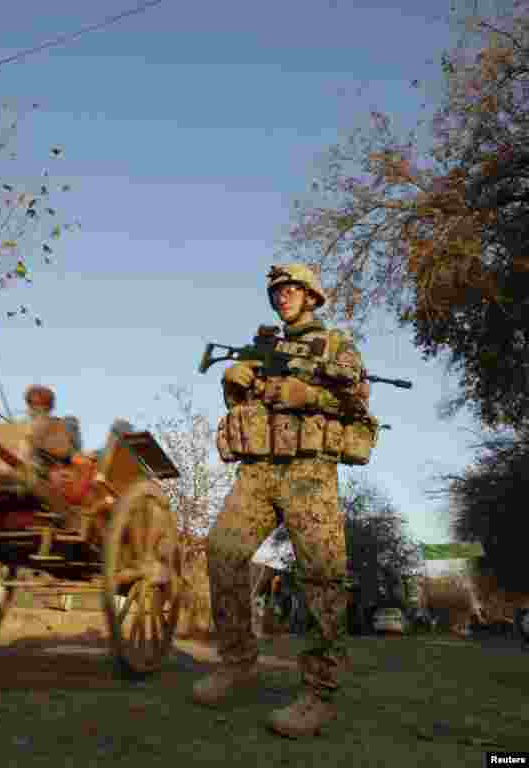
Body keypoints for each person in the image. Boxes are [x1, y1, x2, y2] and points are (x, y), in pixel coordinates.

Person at [194, 263, 376, 738]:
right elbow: (244, 405)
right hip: (257, 470)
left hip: (309, 471)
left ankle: (319, 693)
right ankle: (238, 664)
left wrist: (309, 395)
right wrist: (233, 383)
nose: (282, 297)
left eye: (291, 289)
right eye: (277, 291)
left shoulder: (336, 344)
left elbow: (357, 404)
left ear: (311, 295)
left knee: (321, 574)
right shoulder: (262, 345)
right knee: (222, 552)